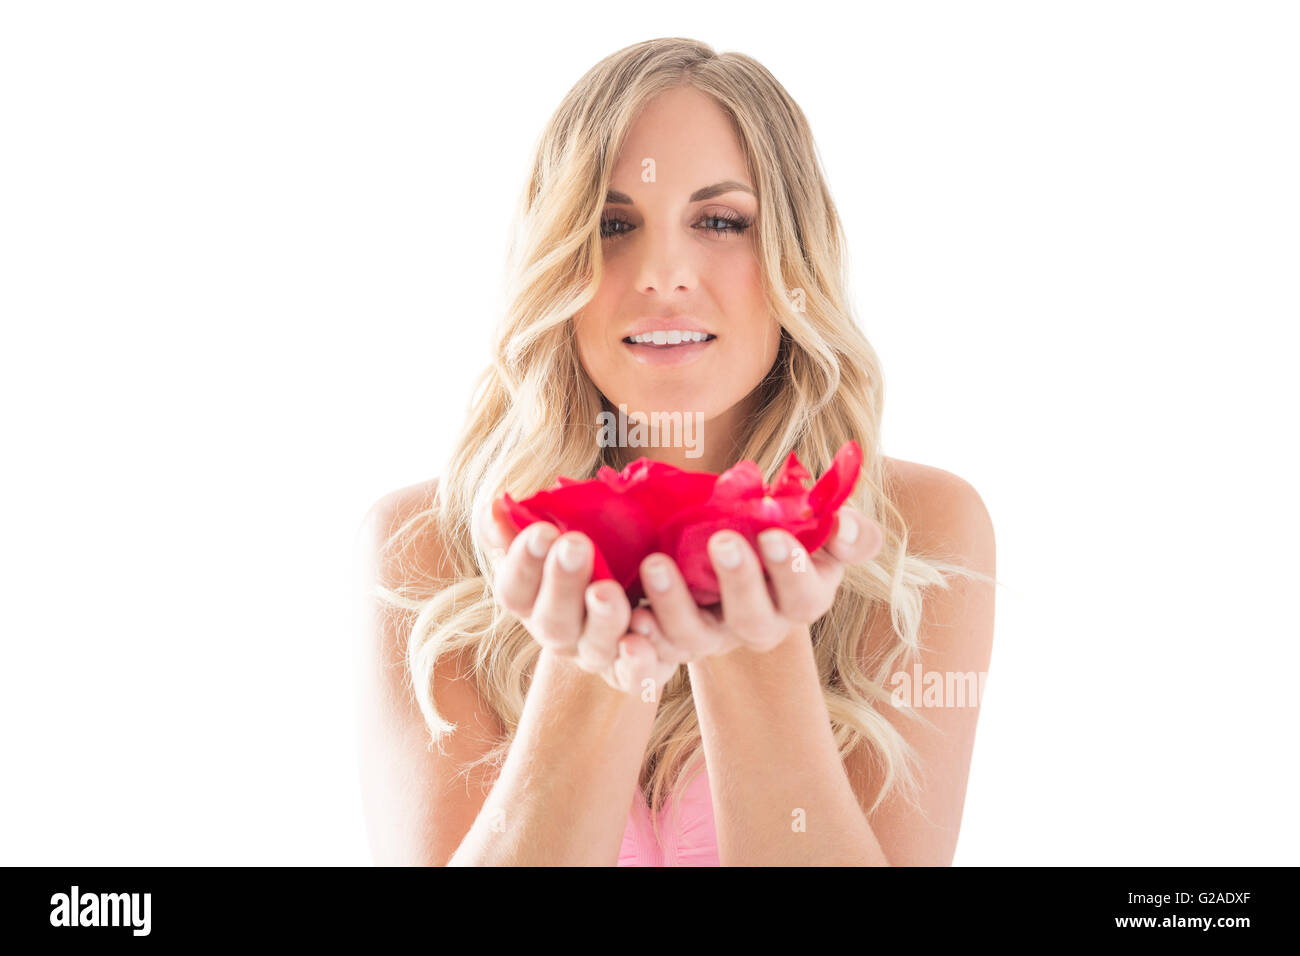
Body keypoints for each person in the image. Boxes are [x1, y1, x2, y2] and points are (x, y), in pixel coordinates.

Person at [356, 37, 996, 866]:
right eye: (613, 224)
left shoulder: (922, 531)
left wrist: (755, 646)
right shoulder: (423, 546)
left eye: (720, 221)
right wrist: (593, 659)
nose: (662, 272)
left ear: (791, 261)